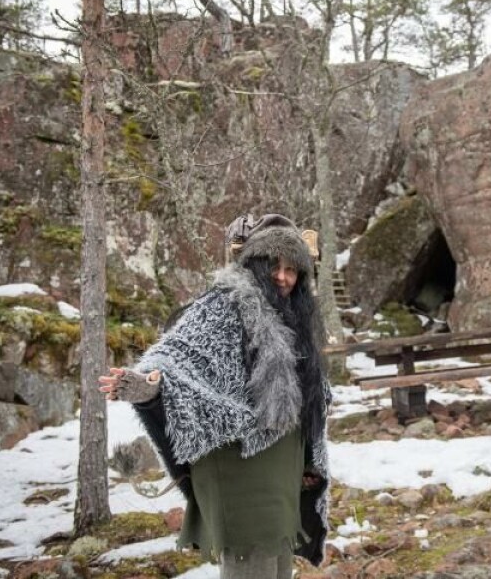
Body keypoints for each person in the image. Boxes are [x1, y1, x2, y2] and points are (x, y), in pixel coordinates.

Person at [98, 214, 330, 579]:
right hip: (240, 465)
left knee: (279, 558)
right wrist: (149, 384)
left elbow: (309, 387)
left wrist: (307, 463)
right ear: (254, 261)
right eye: (274, 265)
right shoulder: (222, 304)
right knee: (249, 560)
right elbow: (175, 356)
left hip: (284, 465)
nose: (283, 277)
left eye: (292, 269)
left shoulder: (296, 314)